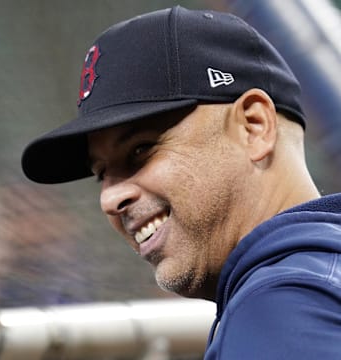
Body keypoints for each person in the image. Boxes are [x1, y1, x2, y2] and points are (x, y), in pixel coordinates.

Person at [22, 6, 341, 359]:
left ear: (254, 126)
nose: (109, 198)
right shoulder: (316, 278)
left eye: (141, 150)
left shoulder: (281, 304)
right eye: (101, 174)